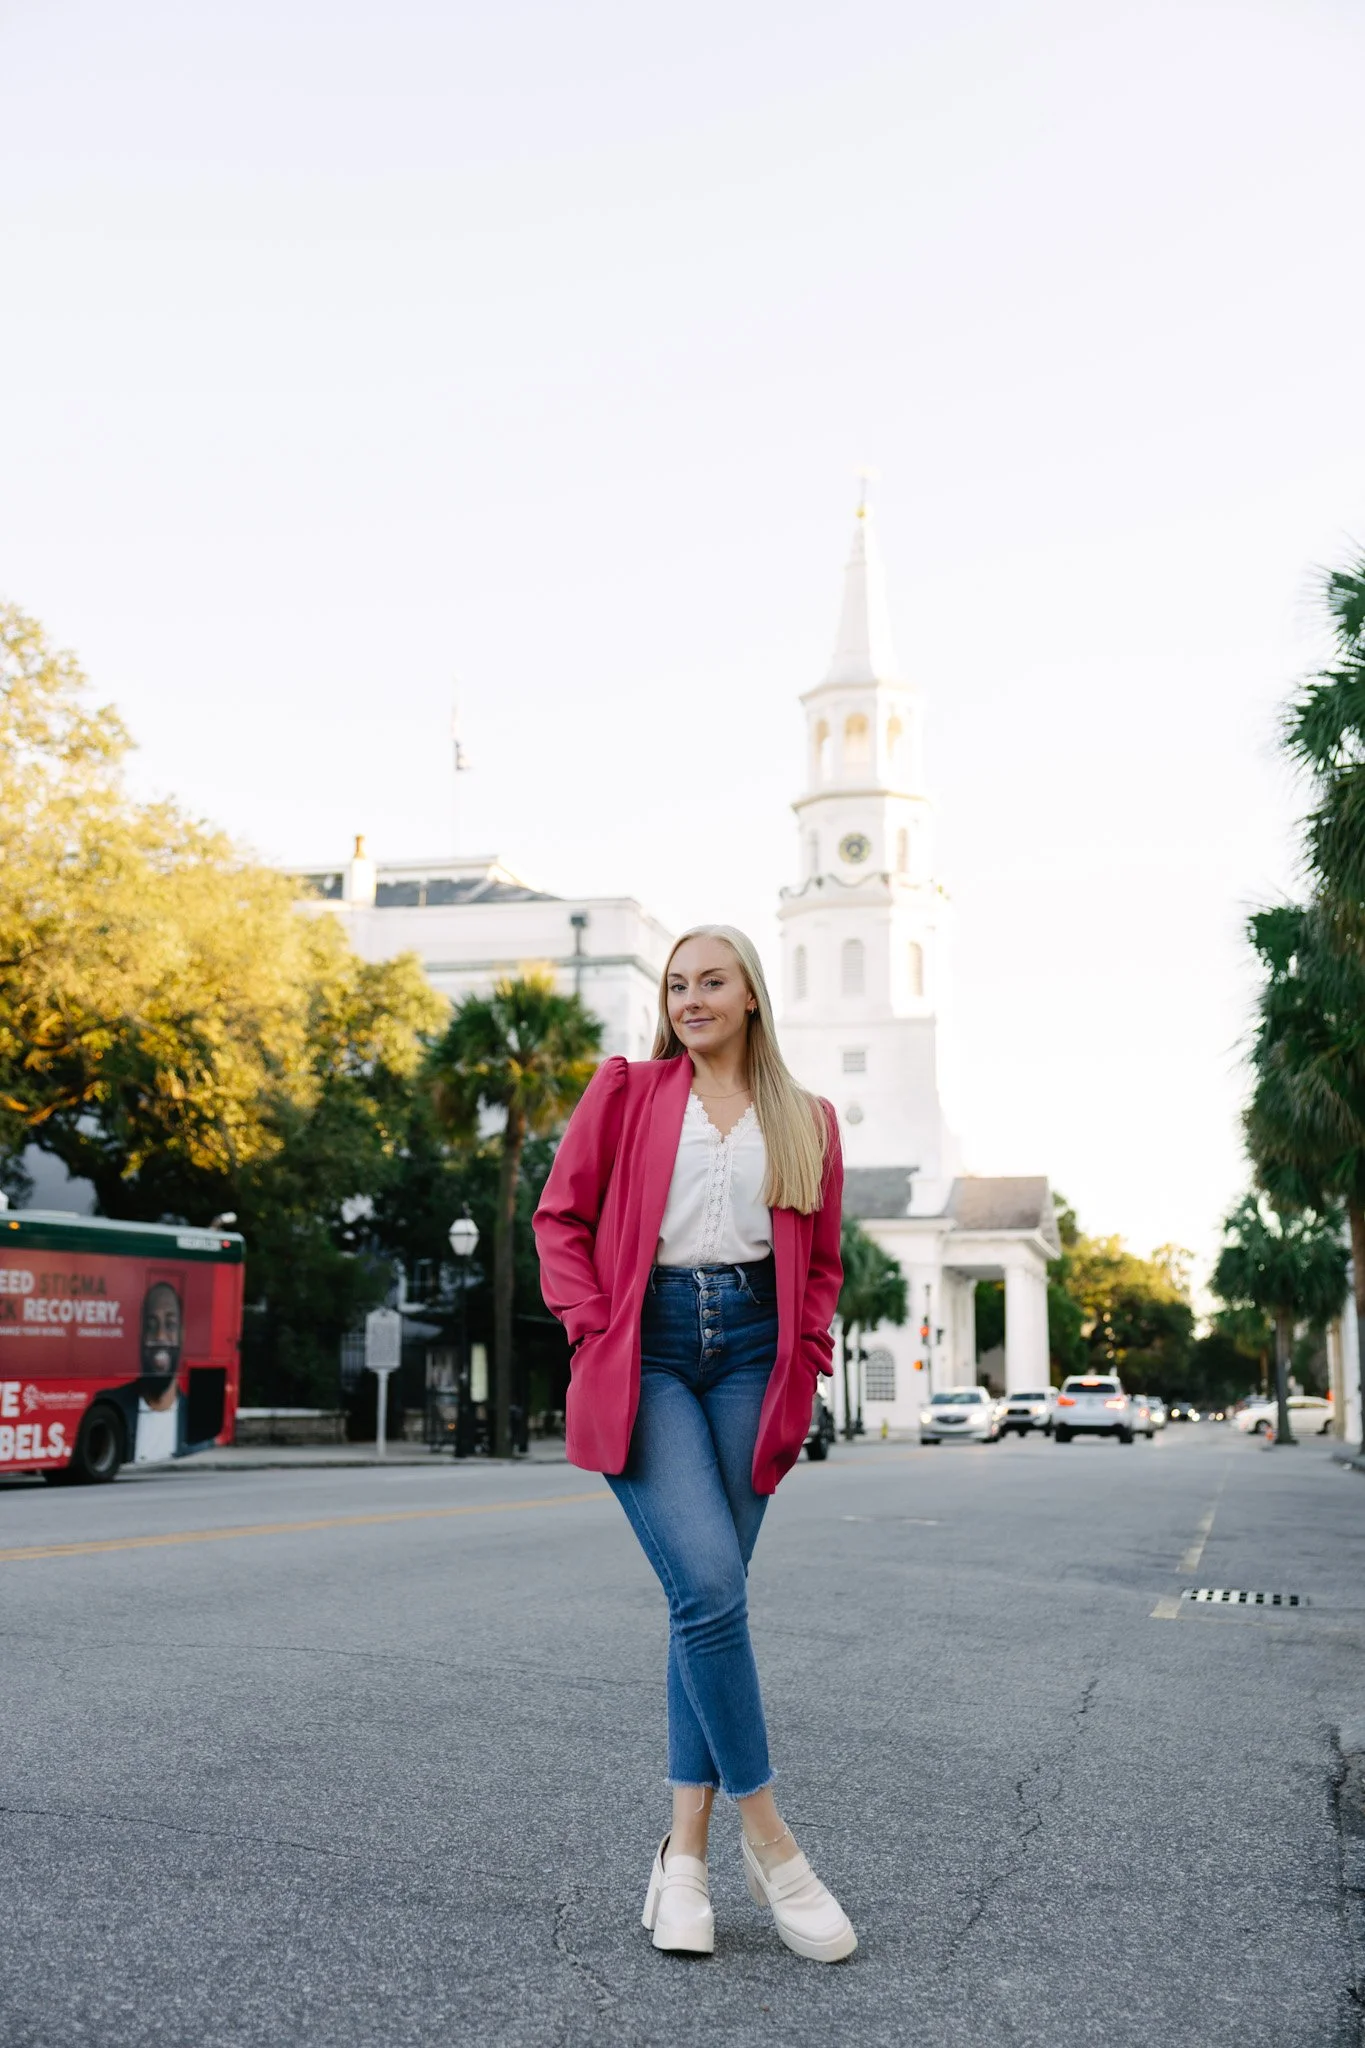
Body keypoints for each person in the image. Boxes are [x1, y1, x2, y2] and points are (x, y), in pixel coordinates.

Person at [533, 925, 856, 1964]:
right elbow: (560, 1217)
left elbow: (822, 1266)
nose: (690, 997)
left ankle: (682, 1863)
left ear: (753, 995)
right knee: (711, 1586)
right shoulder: (626, 1090)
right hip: (651, 1351)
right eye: (677, 983)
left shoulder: (806, 1119)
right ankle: (774, 1844)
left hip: (756, 1354)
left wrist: (803, 1363)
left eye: (711, 980)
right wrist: (590, 1323)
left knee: (701, 1604)